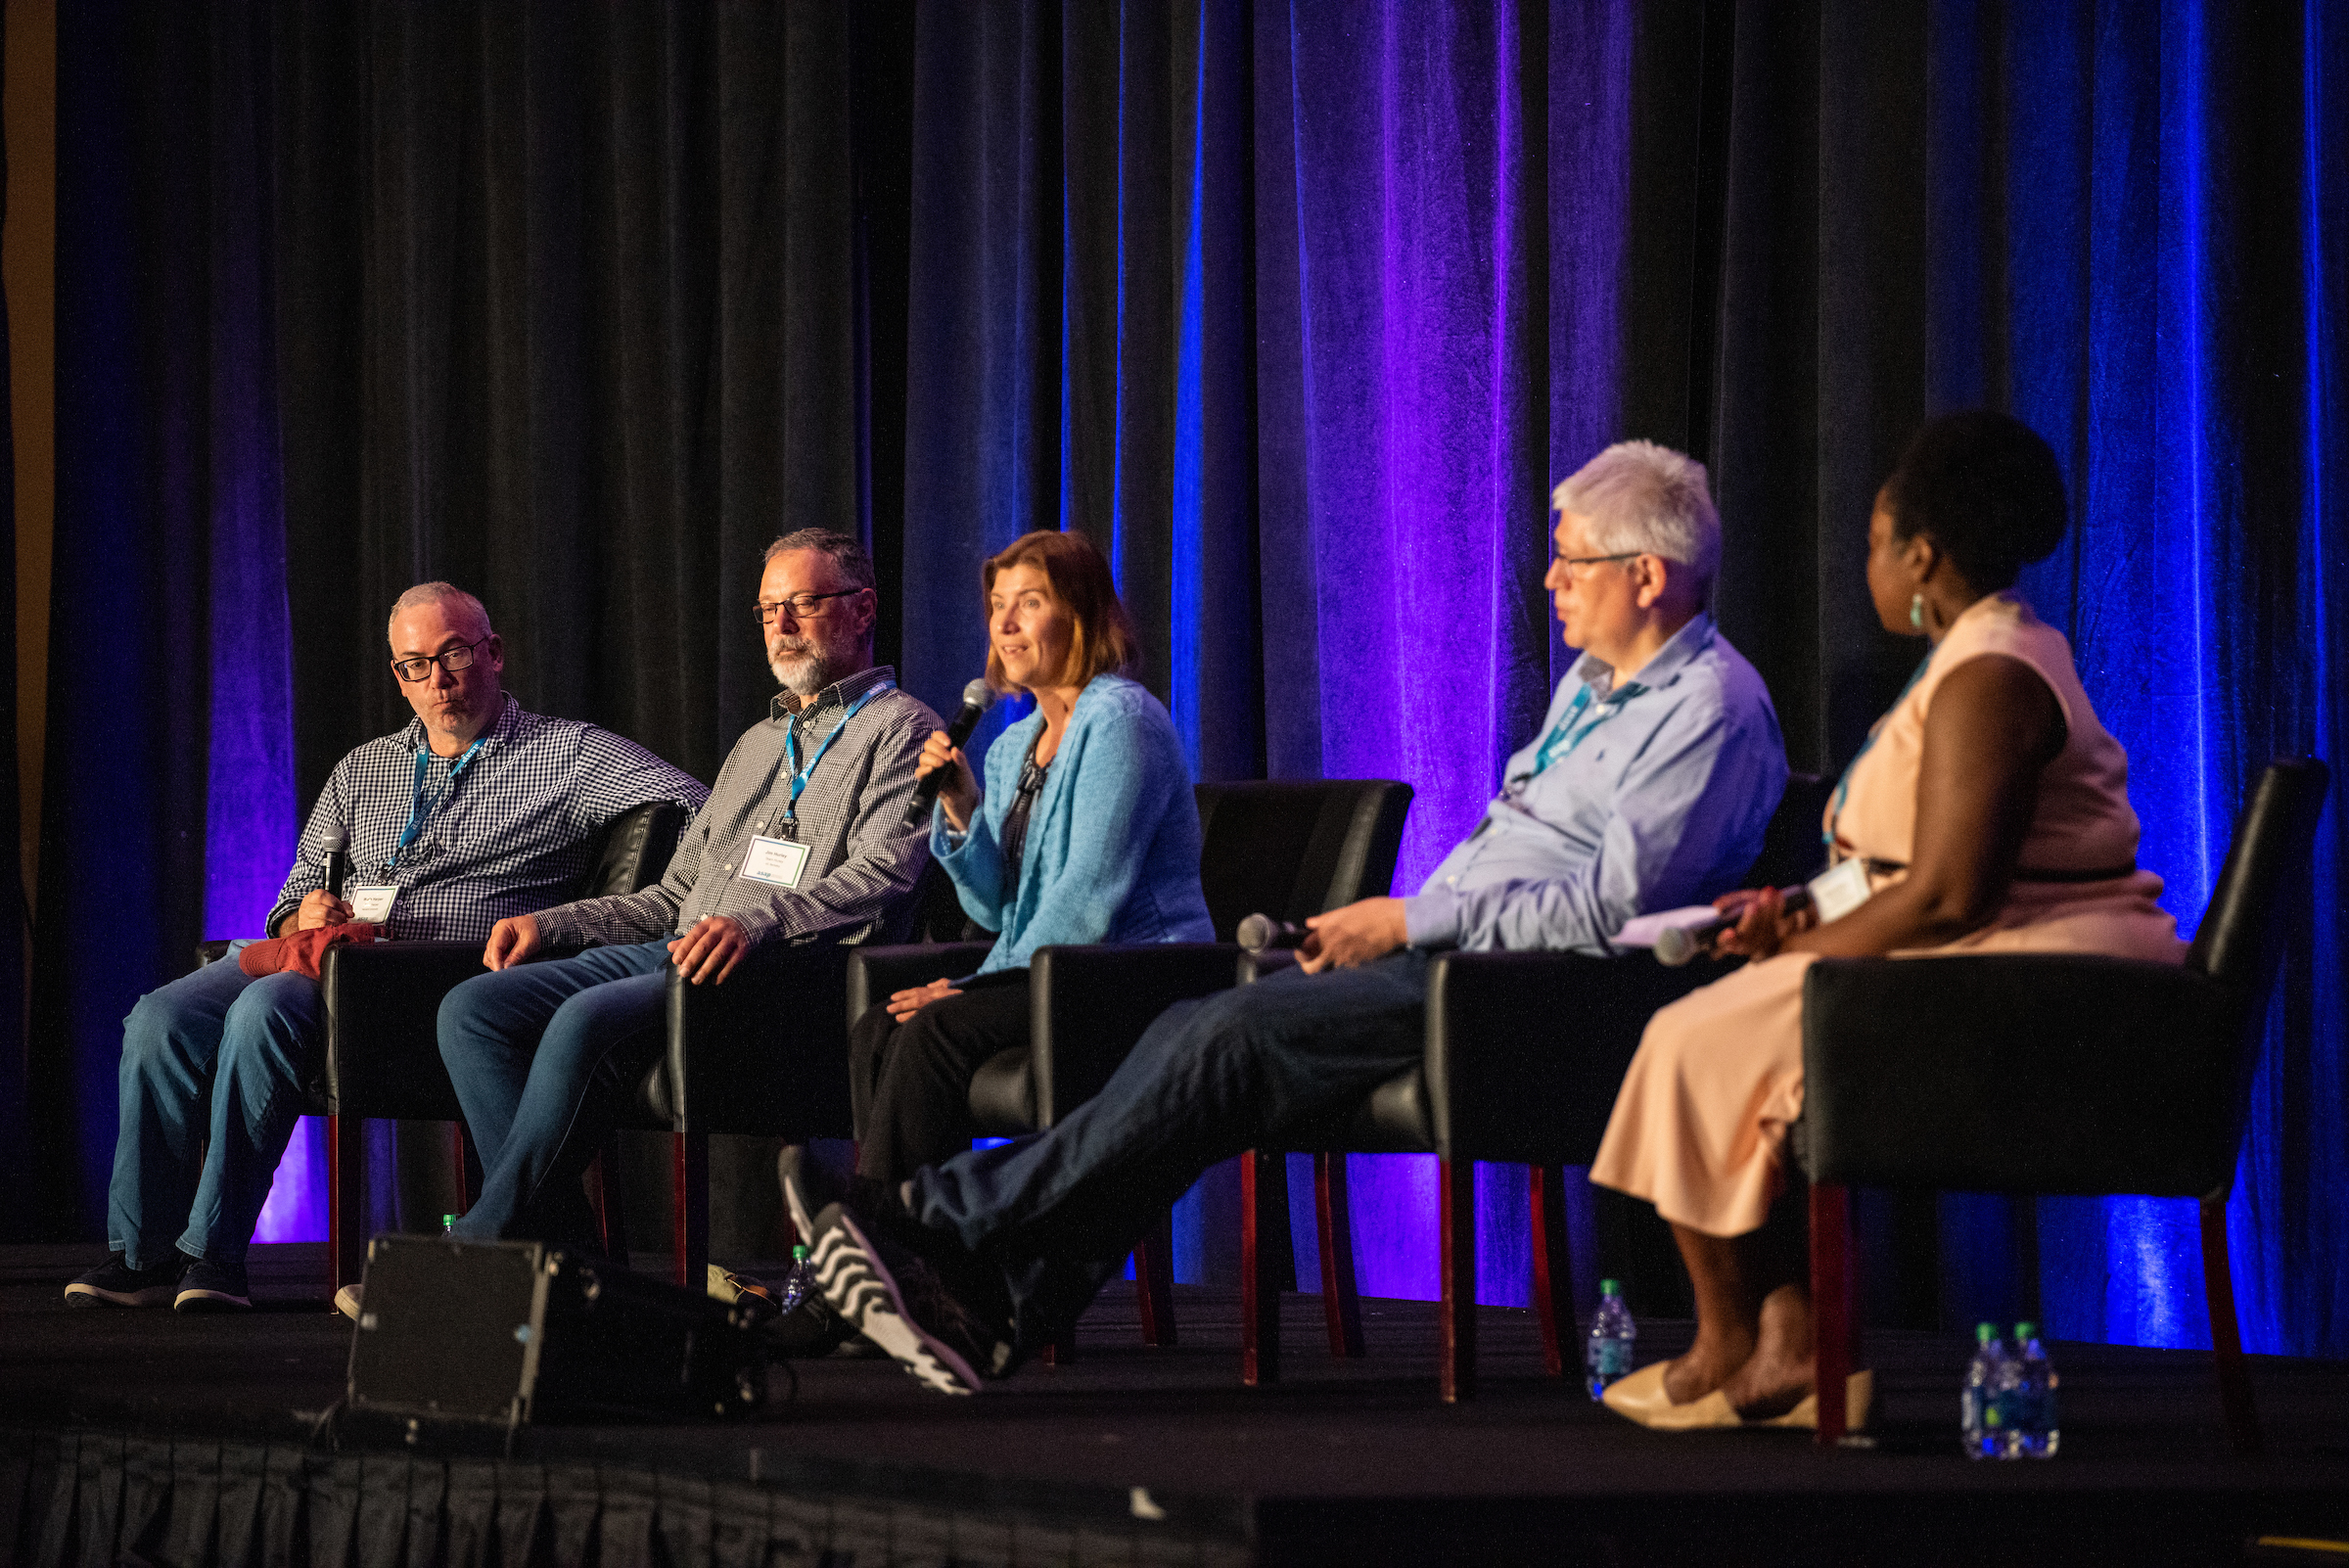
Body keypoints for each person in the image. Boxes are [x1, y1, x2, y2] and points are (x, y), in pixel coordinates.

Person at [788, 441, 1790, 1394]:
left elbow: (1616, 907)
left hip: (1542, 989)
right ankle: (997, 1312)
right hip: (1458, 961)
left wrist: (1406, 923)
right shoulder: (1595, 688)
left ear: (1649, 576)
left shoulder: (1706, 709)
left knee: (1217, 1035)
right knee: (1199, 1047)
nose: (1550, 580)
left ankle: (926, 1223)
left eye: (1573, 560)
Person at [1586, 410, 2185, 1430]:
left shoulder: (1993, 674)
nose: (1861, 564)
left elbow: (1954, 892)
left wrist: (1810, 952)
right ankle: (1782, 1336)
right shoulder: (1973, 657)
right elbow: (1910, 866)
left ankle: (1750, 1338)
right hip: (1989, 949)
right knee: (1703, 1029)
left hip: (2040, 974)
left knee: (1696, 1035)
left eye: (1871, 542)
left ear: (1921, 554)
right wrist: (1798, 912)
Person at [66, 584, 708, 1313]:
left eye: (455, 655)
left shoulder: (570, 754)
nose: (437, 680)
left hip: (436, 968)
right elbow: (292, 894)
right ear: (397, 675)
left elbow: (700, 807)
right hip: (329, 951)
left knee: (266, 1010)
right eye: (414, 665)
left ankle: (212, 1257)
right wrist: (298, 914)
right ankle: (142, 1251)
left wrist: (579, 918)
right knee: (158, 1018)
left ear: (493, 653)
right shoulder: (363, 767)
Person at [404, 530, 939, 1314]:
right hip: (675, 949)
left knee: (584, 1018)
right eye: (767, 612)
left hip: (785, 974)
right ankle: (565, 1252)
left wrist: (757, 925)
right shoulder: (757, 744)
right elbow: (670, 895)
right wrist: (552, 923)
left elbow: (883, 877)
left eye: (802, 605)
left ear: (862, 610)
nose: (782, 626)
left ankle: (488, 1241)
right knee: (473, 1008)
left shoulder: (905, 732)